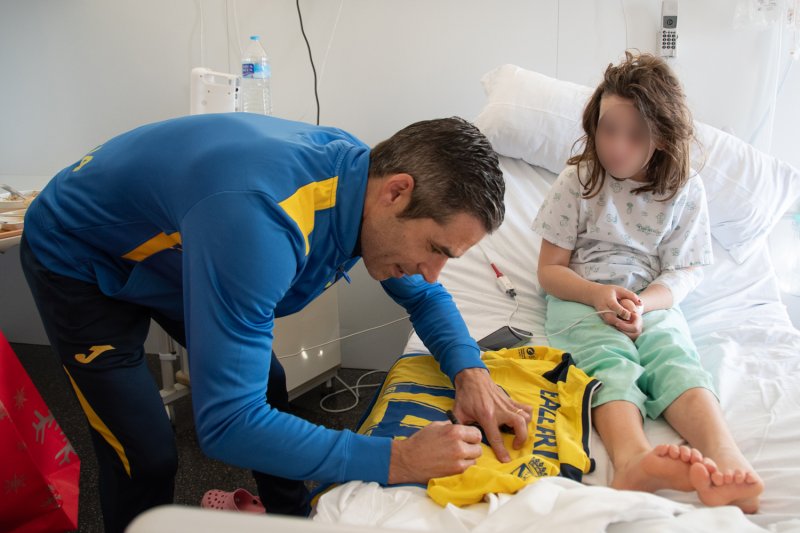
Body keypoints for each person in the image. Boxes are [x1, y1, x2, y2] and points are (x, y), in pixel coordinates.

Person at [20, 114, 534, 532]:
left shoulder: (362, 183)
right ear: (396, 192)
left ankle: (293, 520)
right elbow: (226, 426)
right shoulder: (262, 222)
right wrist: (396, 459)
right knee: (145, 454)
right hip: (79, 257)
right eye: (435, 250)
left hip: (171, 248)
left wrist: (472, 375)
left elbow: (426, 299)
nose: (431, 273)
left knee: (266, 384)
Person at [532, 52, 763, 513]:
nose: (617, 146)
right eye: (607, 128)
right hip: (582, 295)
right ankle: (633, 459)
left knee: (673, 355)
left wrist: (643, 304)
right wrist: (598, 295)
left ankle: (727, 460)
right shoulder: (577, 181)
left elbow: (688, 270)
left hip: (651, 299)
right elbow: (550, 270)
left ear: (661, 136)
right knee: (607, 359)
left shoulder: (684, 190)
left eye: (635, 135)